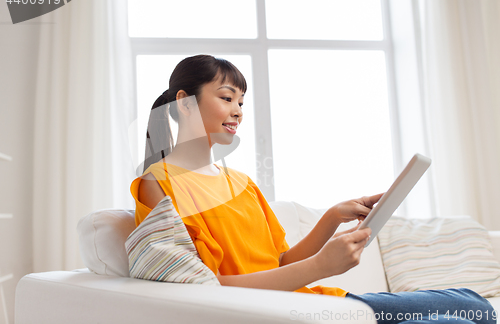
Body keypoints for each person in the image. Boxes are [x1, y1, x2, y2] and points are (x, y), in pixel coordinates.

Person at [130, 54, 495, 324]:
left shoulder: (239, 183)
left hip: (321, 301)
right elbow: (207, 288)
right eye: (227, 98)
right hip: (283, 313)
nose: (238, 110)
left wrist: (333, 216)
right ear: (184, 102)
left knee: (476, 305)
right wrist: (320, 266)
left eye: (241, 101)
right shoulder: (157, 184)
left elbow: (282, 261)